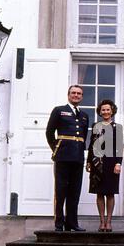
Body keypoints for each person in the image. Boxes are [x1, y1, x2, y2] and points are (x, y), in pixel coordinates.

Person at [46, 85, 89, 232]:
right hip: (63, 156)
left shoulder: (84, 115)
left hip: (77, 157)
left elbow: (83, 136)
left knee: (74, 191)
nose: (76, 95)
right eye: (73, 93)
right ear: (68, 95)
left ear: (82, 97)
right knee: (61, 190)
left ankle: (72, 223)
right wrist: (57, 149)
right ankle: (59, 223)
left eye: (79, 94)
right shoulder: (59, 110)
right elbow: (49, 132)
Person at [86, 100, 123, 232]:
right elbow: (91, 145)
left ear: (112, 111)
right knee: (99, 193)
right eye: (103, 110)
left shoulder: (117, 127)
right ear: (100, 112)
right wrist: (89, 161)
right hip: (97, 163)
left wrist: (119, 163)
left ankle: (109, 221)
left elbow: (119, 147)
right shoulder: (95, 125)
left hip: (112, 163)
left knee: (110, 193)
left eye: (108, 109)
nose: (106, 112)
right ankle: (101, 221)